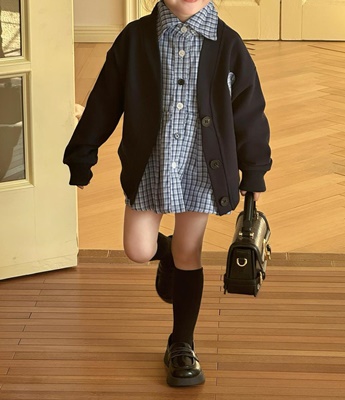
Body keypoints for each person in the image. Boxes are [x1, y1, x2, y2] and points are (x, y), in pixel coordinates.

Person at [63, 0, 272, 388]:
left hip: (202, 167)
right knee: (138, 249)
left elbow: (249, 113)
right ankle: (169, 253)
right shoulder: (135, 39)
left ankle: (182, 344)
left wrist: (254, 169)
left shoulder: (228, 44)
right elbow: (104, 100)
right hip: (151, 165)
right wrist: (82, 152)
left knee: (189, 254)